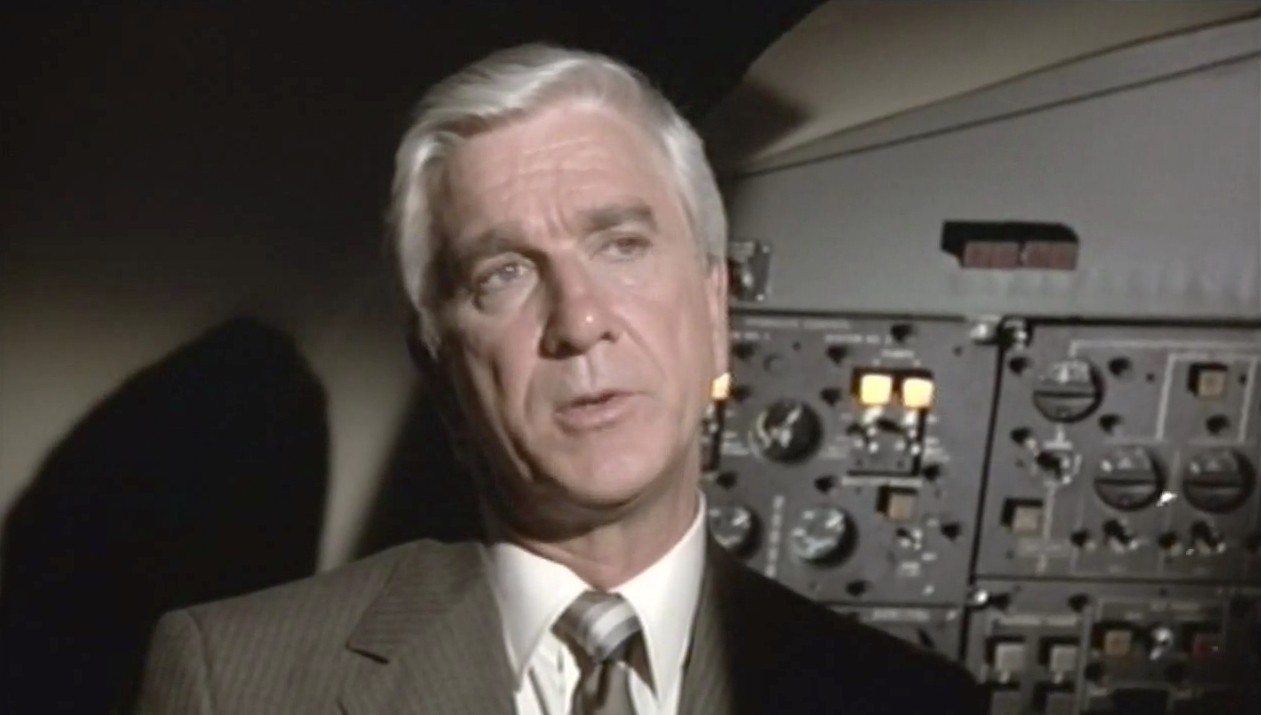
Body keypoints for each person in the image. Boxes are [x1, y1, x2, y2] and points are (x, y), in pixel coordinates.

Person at [136, 44, 983, 715]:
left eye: (621, 245)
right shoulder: (233, 681)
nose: (579, 320)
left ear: (715, 308)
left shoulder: (904, 700)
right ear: (438, 368)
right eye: (503, 273)